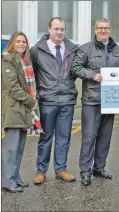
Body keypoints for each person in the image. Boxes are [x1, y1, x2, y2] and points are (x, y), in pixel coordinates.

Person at [71, 18, 119, 186]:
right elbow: (75, 68)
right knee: (89, 137)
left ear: (110, 30)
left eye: (107, 28)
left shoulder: (117, 50)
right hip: (91, 100)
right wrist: (92, 75)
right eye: (100, 28)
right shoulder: (85, 49)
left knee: (105, 137)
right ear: (95, 30)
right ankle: (85, 171)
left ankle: (99, 168)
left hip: (111, 101)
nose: (104, 30)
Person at [30, 17, 78, 185]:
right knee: (45, 138)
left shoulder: (73, 50)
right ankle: (41, 171)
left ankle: (60, 170)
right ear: (49, 29)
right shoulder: (36, 50)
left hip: (67, 100)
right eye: (56, 29)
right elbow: (30, 72)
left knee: (64, 137)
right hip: (47, 100)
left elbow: (80, 68)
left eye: (62, 29)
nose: (59, 32)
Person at [1, 32, 43, 192]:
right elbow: (13, 87)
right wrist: (32, 101)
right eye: (18, 41)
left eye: (24, 41)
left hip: (24, 108)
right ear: (12, 43)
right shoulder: (7, 60)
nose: (21, 44)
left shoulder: (25, 60)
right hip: (14, 107)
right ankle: (8, 181)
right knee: (10, 148)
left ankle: (15, 178)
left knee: (19, 147)